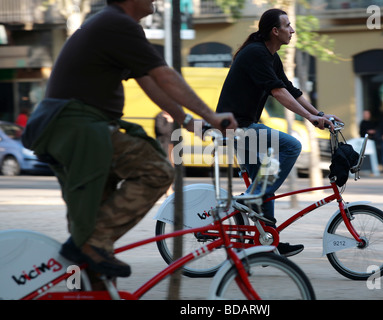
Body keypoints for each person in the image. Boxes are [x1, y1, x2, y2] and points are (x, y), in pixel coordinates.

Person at [22, 0, 237, 278]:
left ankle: (91, 264)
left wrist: (188, 121)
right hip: (77, 127)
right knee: (156, 171)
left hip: (71, 129)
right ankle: (88, 243)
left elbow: (150, 82)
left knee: (97, 238)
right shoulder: (118, 24)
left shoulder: (114, 25)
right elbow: (165, 76)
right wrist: (212, 115)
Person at [216, 8, 342, 257]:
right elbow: (278, 92)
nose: (292, 30)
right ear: (275, 31)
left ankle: (266, 242)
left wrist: (320, 114)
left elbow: (290, 89)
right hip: (238, 128)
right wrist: (310, 119)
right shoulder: (256, 54)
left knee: (265, 186)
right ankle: (251, 199)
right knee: (291, 146)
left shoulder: (270, 57)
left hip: (242, 128)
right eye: (288, 26)